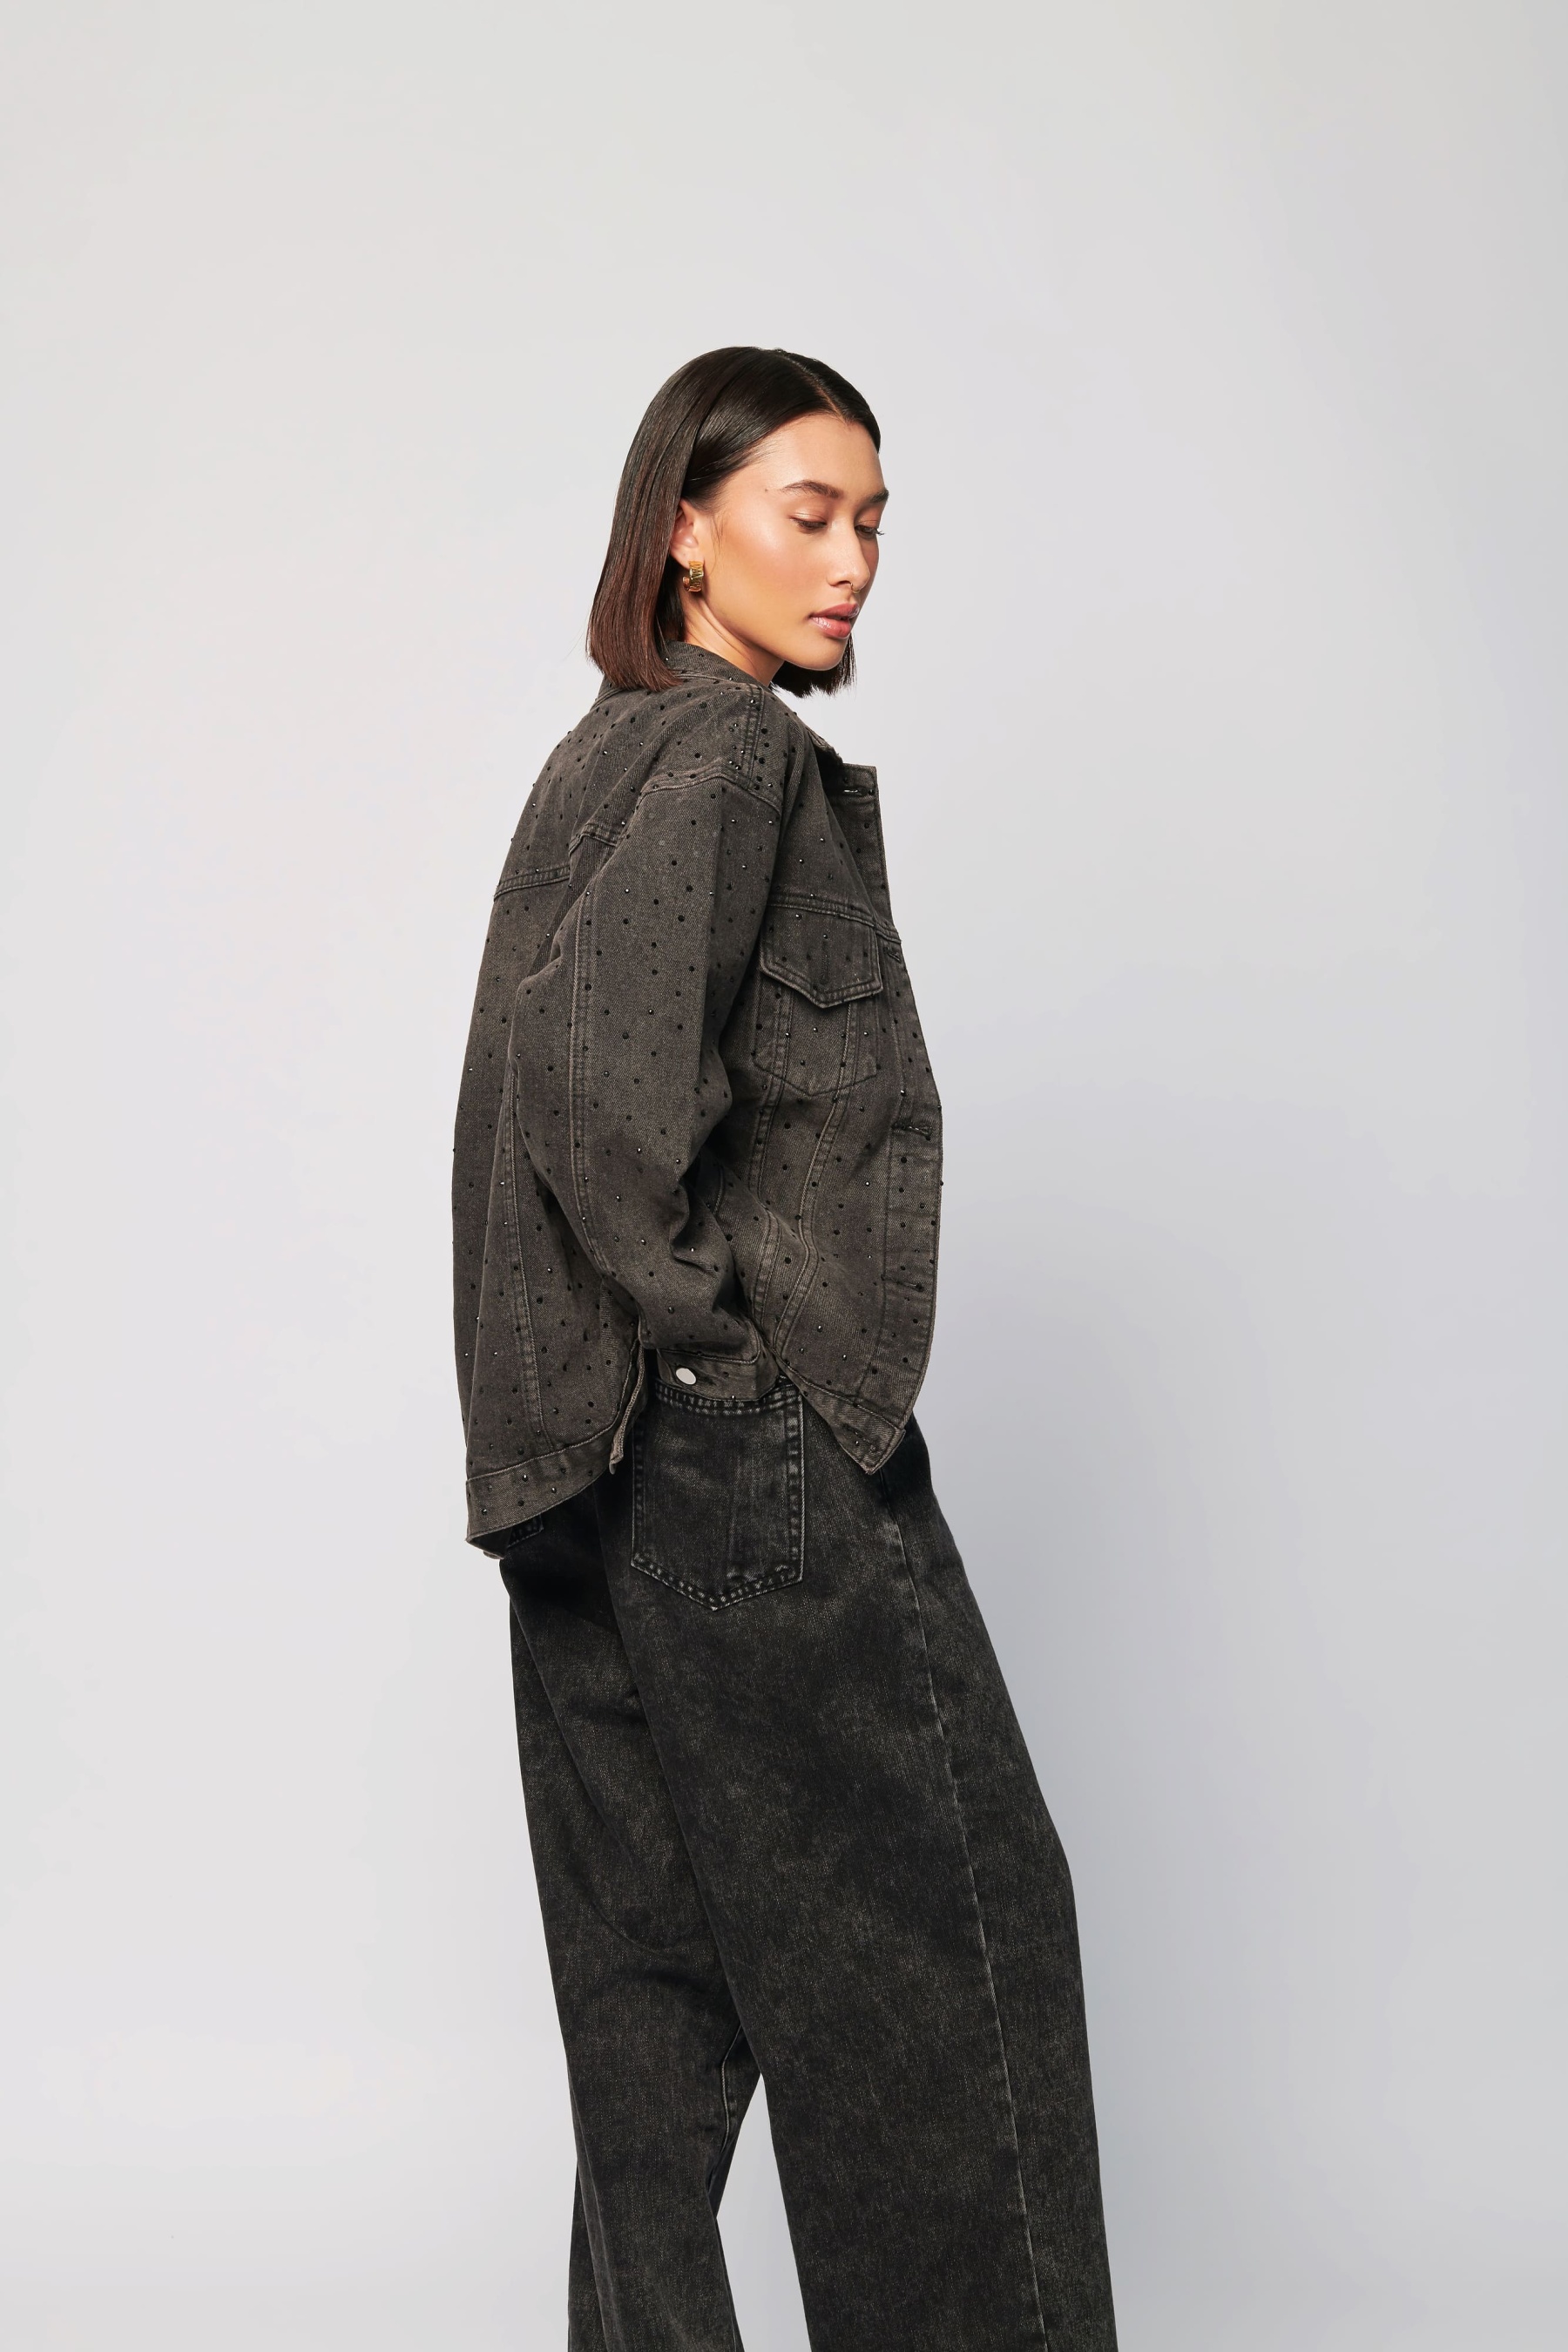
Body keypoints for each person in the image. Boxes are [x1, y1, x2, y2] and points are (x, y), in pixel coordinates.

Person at [452, 347, 1119, 2351]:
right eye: (807, 515)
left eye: (874, 525)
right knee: (952, 1955)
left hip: (572, 1479)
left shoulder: (596, 757)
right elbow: (591, 1092)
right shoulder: (731, 755)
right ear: (686, 530)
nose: (852, 565)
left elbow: (547, 1092)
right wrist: (726, 1360)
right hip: (735, 1453)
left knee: (653, 2016)